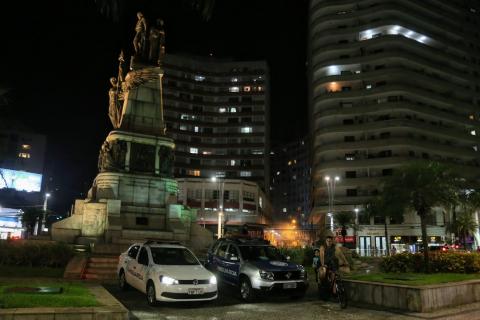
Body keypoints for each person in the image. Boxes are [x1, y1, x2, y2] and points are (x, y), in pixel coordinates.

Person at [318, 231, 349, 300]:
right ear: (326, 241)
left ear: (332, 241)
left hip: (333, 262)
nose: (329, 242)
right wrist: (323, 265)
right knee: (324, 275)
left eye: (330, 241)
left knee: (335, 275)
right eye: (328, 241)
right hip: (325, 263)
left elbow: (341, 254)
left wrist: (345, 261)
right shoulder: (323, 247)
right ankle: (325, 289)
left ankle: (334, 290)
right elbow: (322, 256)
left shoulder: (335, 247)